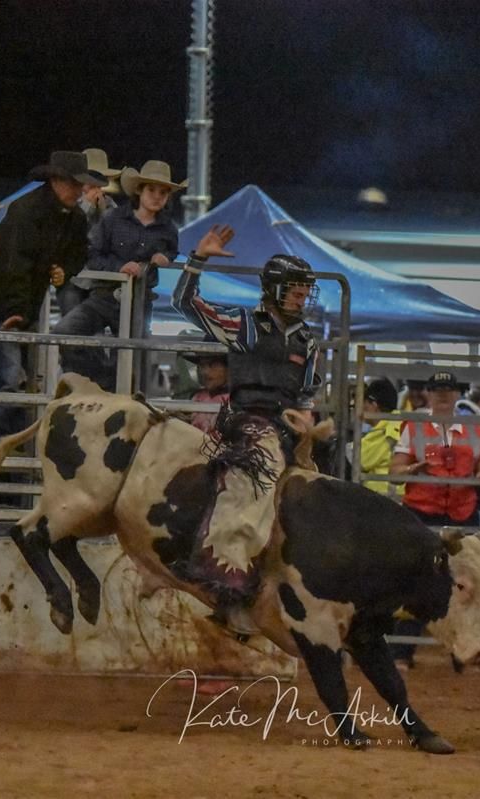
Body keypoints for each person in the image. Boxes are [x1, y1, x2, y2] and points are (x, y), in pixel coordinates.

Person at [172, 224, 320, 637]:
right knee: (262, 465)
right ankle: (225, 577)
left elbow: (307, 392)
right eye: (295, 288)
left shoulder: (307, 340)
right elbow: (184, 301)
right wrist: (197, 259)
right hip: (247, 419)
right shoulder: (245, 324)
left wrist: (306, 421)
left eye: (305, 289)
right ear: (274, 290)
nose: (302, 295)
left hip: (287, 427)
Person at [0, 150, 106, 446]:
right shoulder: (27, 211)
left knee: (18, 380)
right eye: (73, 183)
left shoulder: (69, 216)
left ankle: (8, 444)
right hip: (4, 306)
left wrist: (63, 270)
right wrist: (19, 309)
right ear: (56, 180)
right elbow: (16, 263)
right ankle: (0, 444)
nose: (79, 189)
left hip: (21, 306)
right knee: (9, 379)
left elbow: (76, 255)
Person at [388, 370, 480, 667]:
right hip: (423, 511)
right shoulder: (414, 427)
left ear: (458, 394)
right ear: (429, 394)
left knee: (466, 583)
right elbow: (395, 469)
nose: (444, 394)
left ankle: (463, 652)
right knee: (418, 578)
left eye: (449, 389)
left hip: (461, 511)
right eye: (437, 389)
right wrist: (412, 470)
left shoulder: (473, 429)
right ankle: (402, 651)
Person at [56, 160, 183, 385]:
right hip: (104, 295)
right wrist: (119, 268)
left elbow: (172, 250)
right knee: (64, 331)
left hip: (139, 300)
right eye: (152, 190)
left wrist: (164, 258)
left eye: (163, 192)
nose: (157, 196)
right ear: (139, 191)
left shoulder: (168, 228)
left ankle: (113, 390)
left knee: (132, 359)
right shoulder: (113, 218)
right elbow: (93, 255)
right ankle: (103, 381)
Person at [55, 147, 125, 316]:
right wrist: (86, 207)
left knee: (94, 330)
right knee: (71, 328)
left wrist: (102, 211)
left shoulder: (110, 206)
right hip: (73, 279)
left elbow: (116, 237)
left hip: (101, 282)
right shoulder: (69, 203)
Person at [357, 376, 403, 497]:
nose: (360, 408)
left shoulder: (386, 429)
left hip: (386, 502)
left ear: (374, 404)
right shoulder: (396, 422)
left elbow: (360, 459)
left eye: (363, 402)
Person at [182, 351, 229, 434]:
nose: (205, 372)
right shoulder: (197, 397)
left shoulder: (237, 400)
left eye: (213, 365)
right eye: (202, 365)